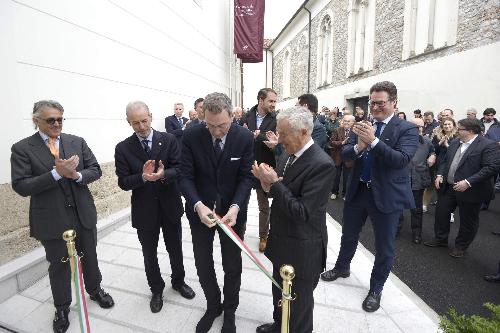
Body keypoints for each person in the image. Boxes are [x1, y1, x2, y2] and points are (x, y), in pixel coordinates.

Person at [11, 100, 115, 333]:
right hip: (52, 219)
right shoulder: (22, 148)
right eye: (51, 120)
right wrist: (55, 174)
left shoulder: (76, 141)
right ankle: (62, 307)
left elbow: (95, 169)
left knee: (90, 256)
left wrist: (76, 174)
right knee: (59, 266)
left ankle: (95, 289)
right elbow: (21, 186)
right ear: (36, 121)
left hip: (82, 213)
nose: (57, 123)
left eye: (60, 119)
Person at [320, 81, 418, 312]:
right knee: (349, 234)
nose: (374, 107)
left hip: (386, 195)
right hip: (358, 190)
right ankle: (342, 267)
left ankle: (376, 289)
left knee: (384, 246)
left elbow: (400, 160)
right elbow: (345, 154)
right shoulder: (363, 126)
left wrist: (372, 141)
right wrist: (359, 146)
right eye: (371, 102)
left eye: (380, 103)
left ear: (394, 102)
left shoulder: (407, 129)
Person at [253, 106, 335, 333]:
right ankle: (279, 325)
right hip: (281, 243)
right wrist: (267, 185)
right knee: (279, 293)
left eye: (283, 134)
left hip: (302, 249)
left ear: (303, 132)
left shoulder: (322, 164)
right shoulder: (287, 154)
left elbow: (302, 212)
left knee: (298, 306)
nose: (279, 139)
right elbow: (281, 194)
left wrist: (276, 184)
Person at [180, 92, 254, 333]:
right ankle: (213, 306)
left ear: (231, 117)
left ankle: (230, 310)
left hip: (231, 213)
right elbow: (185, 176)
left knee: (232, 265)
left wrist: (235, 207)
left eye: (221, 125)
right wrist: (198, 205)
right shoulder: (191, 135)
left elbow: (245, 177)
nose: (216, 131)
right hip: (201, 212)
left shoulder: (243, 137)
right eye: (210, 125)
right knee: (203, 263)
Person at [114, 101, 195, 314]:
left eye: (144, 120)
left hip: (169, 204)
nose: (141, 126)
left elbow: (180, 169)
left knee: (175, 248)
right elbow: (123, 182)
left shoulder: (168, 139)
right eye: (135, 123)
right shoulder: (123, 148)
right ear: (128, 122)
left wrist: (163, 175)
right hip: (144, 209)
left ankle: (178, 281)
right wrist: (142, 177)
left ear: (150, 116)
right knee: (149, 253)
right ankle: (156, 289)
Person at [424, 118, 500, 257]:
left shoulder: (488, 145)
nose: (457, 131)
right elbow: (445, 160)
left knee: (467, 221)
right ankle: (441, 239)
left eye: (460, 129)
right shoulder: (455, 143)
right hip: (449, 186)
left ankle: (461, 246)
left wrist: (468, 182)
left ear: (470, 131)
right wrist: (440, 174)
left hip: (471, 190)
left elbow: (491, 168)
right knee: (441, 213)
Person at [242, 88, 277, 252]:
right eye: (271, 101)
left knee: (264, 206)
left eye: (274, 101)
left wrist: (259, 135)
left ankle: (264, 236)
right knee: (241, 202)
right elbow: (238, 136)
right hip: (246, 166)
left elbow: (278, 142)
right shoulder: (246, 116)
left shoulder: (275, 119)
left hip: (263, 167)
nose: (273, 104)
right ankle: (238, 234)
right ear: (260, 100)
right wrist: (245, 133)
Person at [405, 118, 436, 244]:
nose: (419, 129)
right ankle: (395, 229)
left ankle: (417, 233)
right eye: (416, 126)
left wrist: (433, 155)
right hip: (401, 179)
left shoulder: (427, 142)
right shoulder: (400, 140)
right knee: (397, 207)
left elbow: (433, 150)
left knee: (416, 209)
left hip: (418, 179)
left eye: (421, 126)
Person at [329, 115, 355, 200]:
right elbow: (332, 142)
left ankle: (345, 194)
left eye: (348, 121)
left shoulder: (355, 132)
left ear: (353, 123)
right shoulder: (337, 130)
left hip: (349, 158)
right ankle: (334, 192)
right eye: (345, 121)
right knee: (336, 176)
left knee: (347, 177)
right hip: (337, 156)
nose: (346, 123)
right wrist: (341, 143)